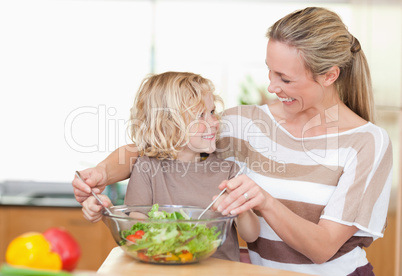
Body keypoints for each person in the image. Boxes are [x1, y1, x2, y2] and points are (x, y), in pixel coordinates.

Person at [72, 7, 393, 276]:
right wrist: (100, 173)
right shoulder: (244, 123)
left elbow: (323, 248)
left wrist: (264, 201)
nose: (271, 86)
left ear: (329, 76)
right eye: (270, 71)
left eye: (285, 78)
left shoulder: (367, 143)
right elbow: (161, 143)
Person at [78, 71, 260, 262]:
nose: (214, 122)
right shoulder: (147, 168)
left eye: (212, 112)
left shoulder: (229, 171)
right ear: (168, 125)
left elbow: (251, 235)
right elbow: (137, 231)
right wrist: (108, 212)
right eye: (200, 116)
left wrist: (241, 210)